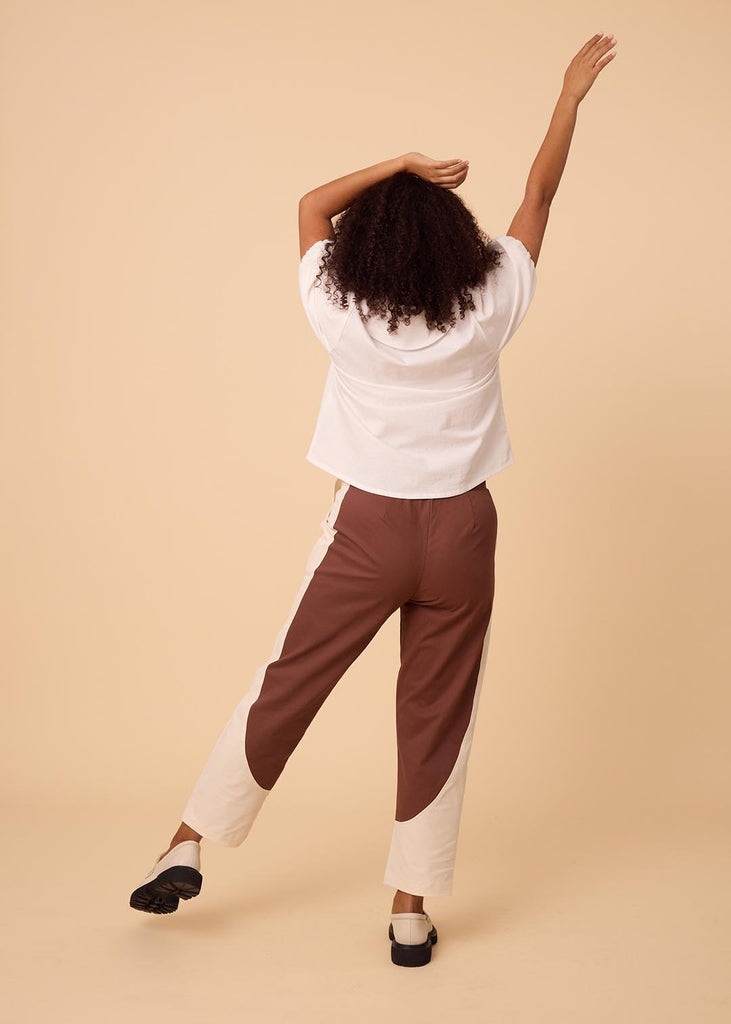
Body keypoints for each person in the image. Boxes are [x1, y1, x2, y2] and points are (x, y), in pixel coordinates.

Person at [129, 32, 618, 968]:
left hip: (369, 526)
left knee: (288, 680)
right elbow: (538, 196)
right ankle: (407, 910)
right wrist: (566, 101)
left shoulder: (337, 309)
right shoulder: (492, 301)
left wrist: (397, 162)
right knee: (439, 710)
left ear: (369, 247)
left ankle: (188, 841)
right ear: (451, 241)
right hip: (463, 530)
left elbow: (311, 203)